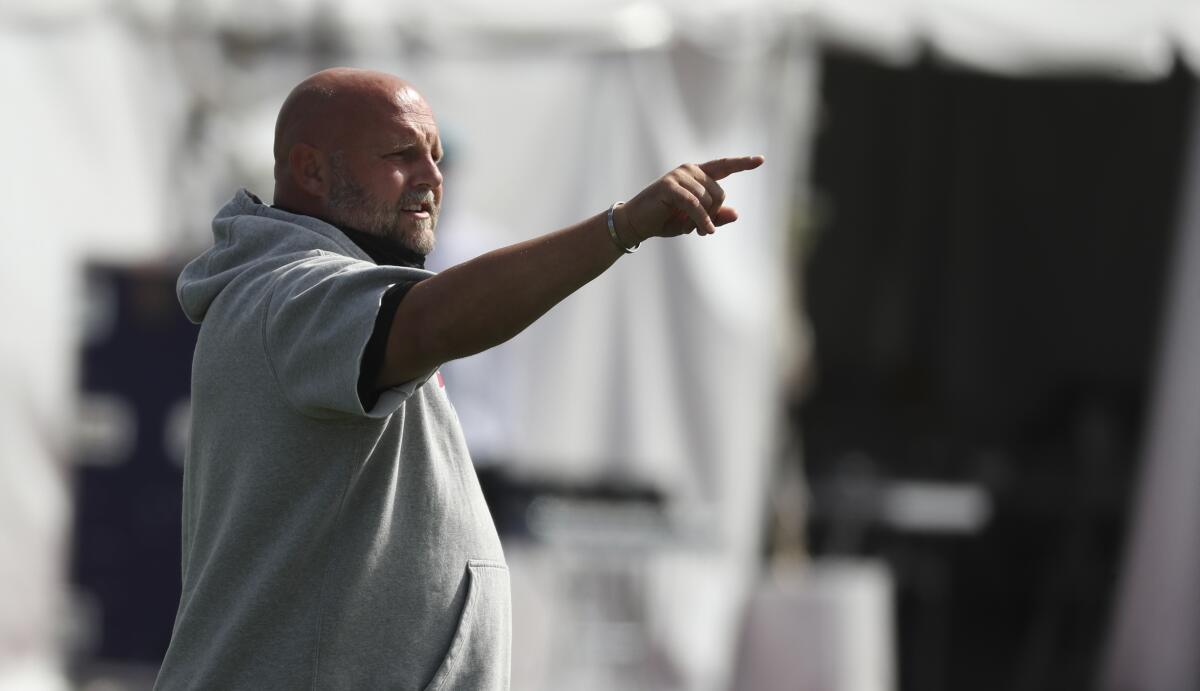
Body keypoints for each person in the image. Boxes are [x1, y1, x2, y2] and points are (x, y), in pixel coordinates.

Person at [154, 66, 763, 690]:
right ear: (310, 170)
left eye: (436, 156)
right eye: (401, 155)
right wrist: (620, 227)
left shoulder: (300, 290)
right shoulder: (288, 292)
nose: (433, 177)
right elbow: (429, 325)